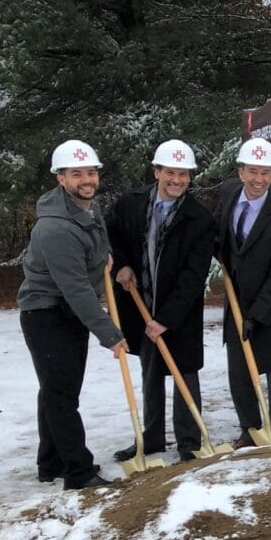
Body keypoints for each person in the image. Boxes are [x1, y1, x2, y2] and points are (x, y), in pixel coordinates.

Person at [17, 140, 127, 490]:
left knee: (58, 389)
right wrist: (110, 333)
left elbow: (95, 248)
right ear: (60, 179)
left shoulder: (87, 210)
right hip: (46, 312)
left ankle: (50, 462)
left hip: (66, 312)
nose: (86, 179)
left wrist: (103, 258)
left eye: (91, 172)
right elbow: (76, 288)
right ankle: (79, 472)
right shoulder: (55, 228)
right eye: (76, 173)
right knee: (61, 393)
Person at [107, 139, 216, 462]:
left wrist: (165, 318)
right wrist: (123, 264)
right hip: (140, 303)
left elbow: (193, 276)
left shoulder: (199, 219)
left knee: (185, 371)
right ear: (157, 172)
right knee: (150, 371)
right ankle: (152, 438)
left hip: (178, 310)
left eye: (184, 175)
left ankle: (188, 442)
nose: (177, 180)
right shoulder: (131, 203)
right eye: (170, 172)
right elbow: (111, 234)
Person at [213, 137, 271, 445]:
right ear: (240, 172)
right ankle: (249, 428)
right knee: (239, 367)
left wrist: (257, 315)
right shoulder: (227, 198)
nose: (258, 179)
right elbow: (222, 243)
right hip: (237, 300)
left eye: (265, 173)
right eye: (253, 171)